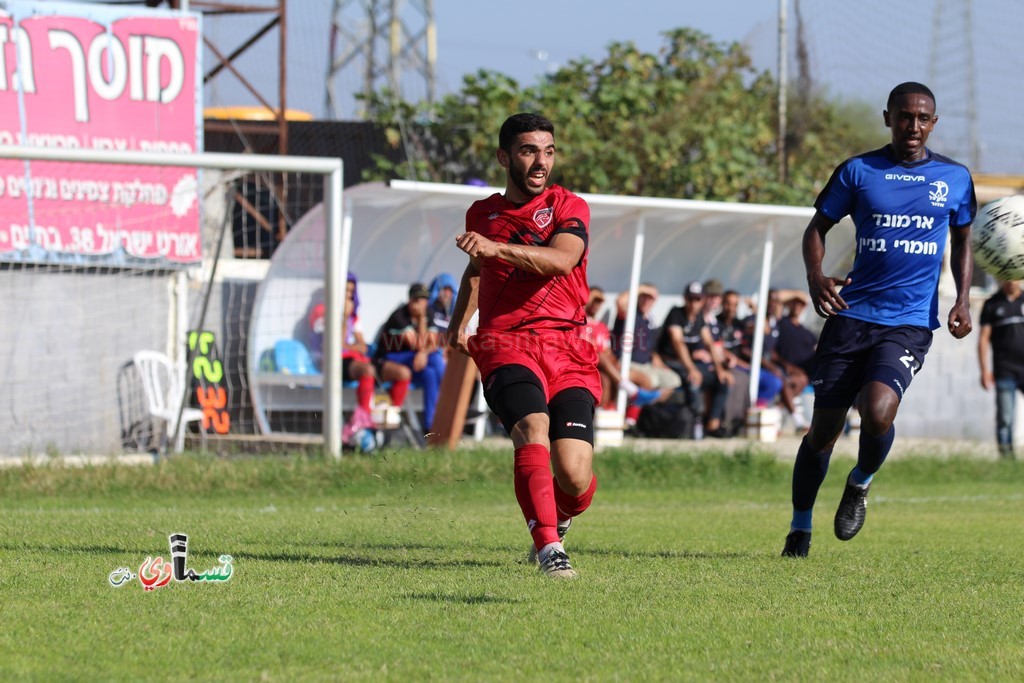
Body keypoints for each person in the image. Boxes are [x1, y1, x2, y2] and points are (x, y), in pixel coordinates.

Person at [781, 82, 976, 558]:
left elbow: (965, 240)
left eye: (923, 118)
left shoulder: (954, 178)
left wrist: (963, 299)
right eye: (905, 117)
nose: (914, 126)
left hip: (908, 321)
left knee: (879, 409)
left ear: (934, 122)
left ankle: (860, 482)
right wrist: (815, 276)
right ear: (888, 117)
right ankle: (799, 527)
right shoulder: (858, 171)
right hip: (851, 316)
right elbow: (817, 228)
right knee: (823, 431)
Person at [447, 112, 598, 579]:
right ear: (504, 156)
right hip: (506, 341)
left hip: (569, 348)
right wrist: (459, 324)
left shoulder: (569, 205)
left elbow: (561, 259)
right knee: (532, 425)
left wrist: (494, 250)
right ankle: (550, 549)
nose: (540, 162)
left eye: (548, 151)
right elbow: (477, 270)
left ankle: (561, 517)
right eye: (529, 151)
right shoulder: (482, 213)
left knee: (574, 476)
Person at [307, 273, 378, 446]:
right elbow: (333, 343)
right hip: (326, 361)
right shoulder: (321, 311)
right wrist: (343, 318)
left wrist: (348, 344)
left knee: (371, 369)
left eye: (351, 291)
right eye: (345, 290)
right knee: (367, 370)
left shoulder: (353, 315)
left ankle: (362, 419)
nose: (348, 295)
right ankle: (361, 420)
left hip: (345, 359)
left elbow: (362, 346)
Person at [657, 281, 731, 438]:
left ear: (702, 300)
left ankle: (713, 423)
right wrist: (692, 369)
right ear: (685, 298)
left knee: (722, 381)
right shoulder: (676, 314)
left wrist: (719, 368)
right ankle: (694, 423)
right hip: (670, 361)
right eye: (690, 299)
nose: (693, 303)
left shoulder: (699, 319)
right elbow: (678, 343)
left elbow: (709, 343)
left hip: (687, 363)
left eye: (697, 299)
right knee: (694, 380)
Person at [374, 282, 447, 431]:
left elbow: (432, 344)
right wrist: (421, 320)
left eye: (424, 299)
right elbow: (419, 344)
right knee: (435, 361)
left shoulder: (429, 313)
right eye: (417, 299)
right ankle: (447, 406)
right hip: (391, 358)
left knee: (430, 374)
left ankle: (430, 426)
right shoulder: (399, 316)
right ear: (410, 300)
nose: (420, 303)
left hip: (414, 360)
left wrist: (423, 353)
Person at [581, 286, 660, 408]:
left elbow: (606, 349)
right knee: (603, 375)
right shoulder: (578, 322)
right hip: (586, 362)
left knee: (644, 380)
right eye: (594, 299)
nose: (596, 304)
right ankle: (627, 389)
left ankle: (629, 418)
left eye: (599, 301)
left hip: (605, 365)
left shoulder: (602, 327)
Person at [977, 279, 1024, 460]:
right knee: (1005, 418)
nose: (1012, 281)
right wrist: (984, 370)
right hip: (1005, 370)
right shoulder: (992, 304)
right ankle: (1007, 459)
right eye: (1007, 277)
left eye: (1016, 276)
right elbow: (983, 339)